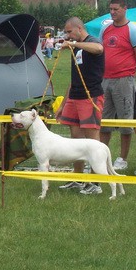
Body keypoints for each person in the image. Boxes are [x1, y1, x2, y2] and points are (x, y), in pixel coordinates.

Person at [55, 17, 105, 195]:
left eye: (69, 32)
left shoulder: (91, 42)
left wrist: (75, 43)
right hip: (74, 96)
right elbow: (75, 77)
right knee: (76, 141)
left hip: (90, 96)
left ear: (78, 28)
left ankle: (96, 182)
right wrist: (63, 104)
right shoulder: (75, 47)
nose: (67, 36)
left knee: (92, 141)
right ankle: (78, 178)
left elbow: (99, 49)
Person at [99, 0, 136, 171]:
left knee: (125, 119)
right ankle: (101, 157)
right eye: (110, 9)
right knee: (104, 120)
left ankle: (122, 158)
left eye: (116, 9)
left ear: (125, 9)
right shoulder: (105, 29)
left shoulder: (132, 30)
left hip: (124, 80)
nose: (112, 12)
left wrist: (129, 71)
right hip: (105, 79)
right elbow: (100, 50)